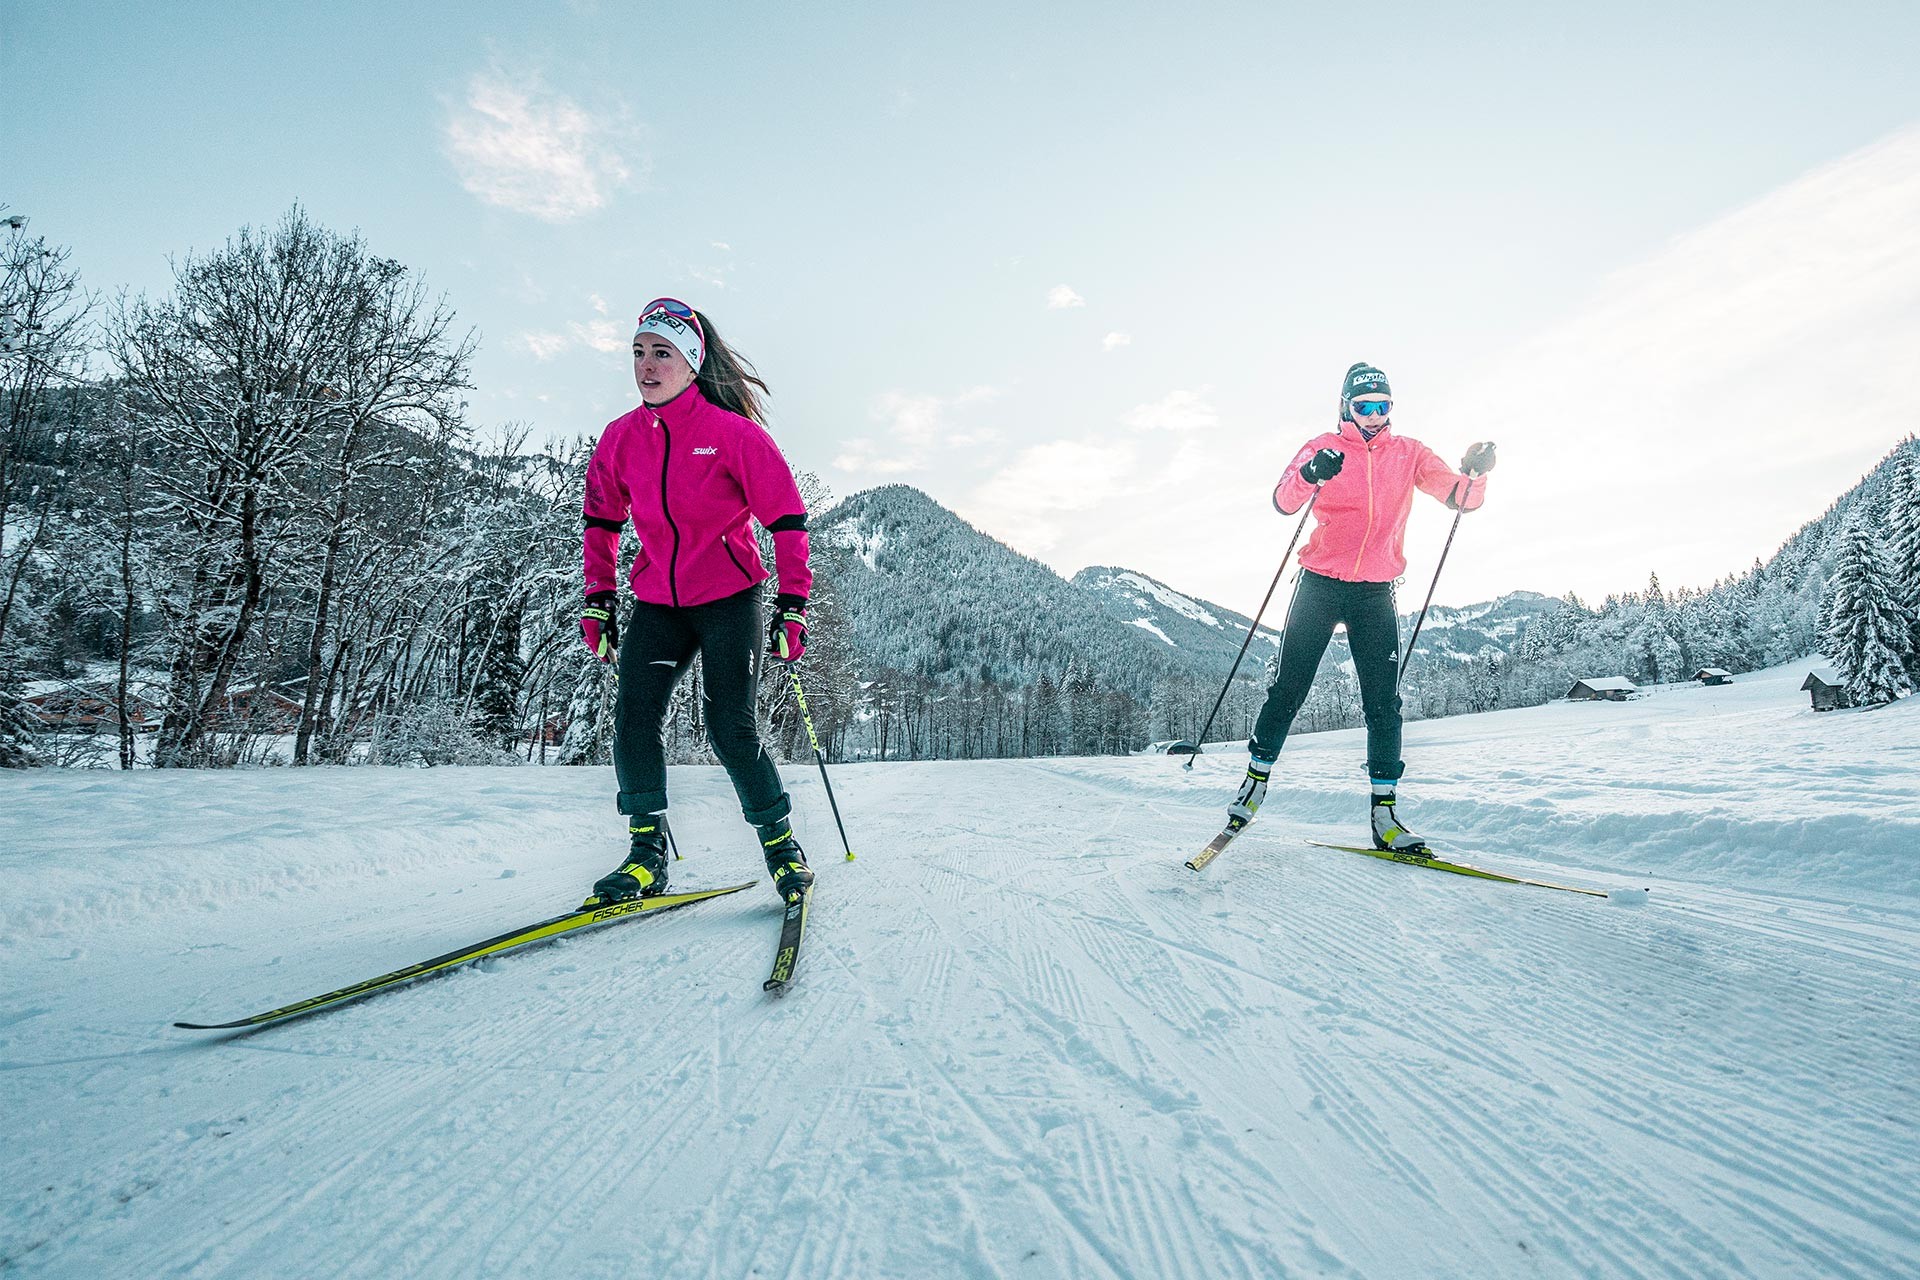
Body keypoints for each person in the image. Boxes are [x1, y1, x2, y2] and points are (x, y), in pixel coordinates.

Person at [577, 298, 816, 906]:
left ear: (691, 362)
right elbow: (601, 523)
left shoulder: (733, 435)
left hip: (730, 596)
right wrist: (599, 598)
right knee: (634, 716)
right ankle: (645, 857)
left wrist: (793, 605)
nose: (647, 366)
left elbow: (787, 521)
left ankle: (783, 849)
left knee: (729, 727)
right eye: (639, 353)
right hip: (658, 598)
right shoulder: (620, 439)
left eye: (662, 353)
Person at [1227, 362, 1496, 854]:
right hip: (1319, 585)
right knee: (1290, 686)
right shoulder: (1323, 447)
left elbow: (1457, 497)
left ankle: (1385, 814)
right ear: (1346, 407)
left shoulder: (1408, 452)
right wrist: (1312, 474)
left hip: (1375, 591)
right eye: (1363, 406)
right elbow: (1284, 501)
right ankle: (1255, 779)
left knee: (1384, 702)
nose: (1373, 416)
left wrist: (1474, 473)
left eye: (1383, 406)